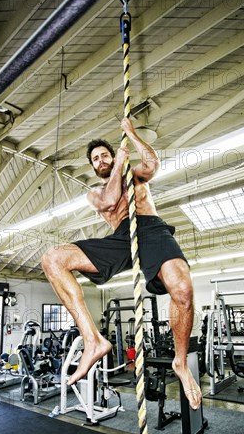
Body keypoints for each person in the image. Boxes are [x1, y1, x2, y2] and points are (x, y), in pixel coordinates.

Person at [42, 117, 202, 410]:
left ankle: (181, 362)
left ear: (113, 155)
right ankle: (93, 341)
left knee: (182, 289)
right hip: (121, 238)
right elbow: (110, 199)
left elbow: (153, 164)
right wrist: (118, 164)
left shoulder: (135, 175)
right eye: (95, 159)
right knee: (53, 258)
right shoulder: (95, 193)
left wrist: (133, 136)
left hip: (151, 228)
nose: (100, 160)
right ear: (93, 167)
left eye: (105, 154)